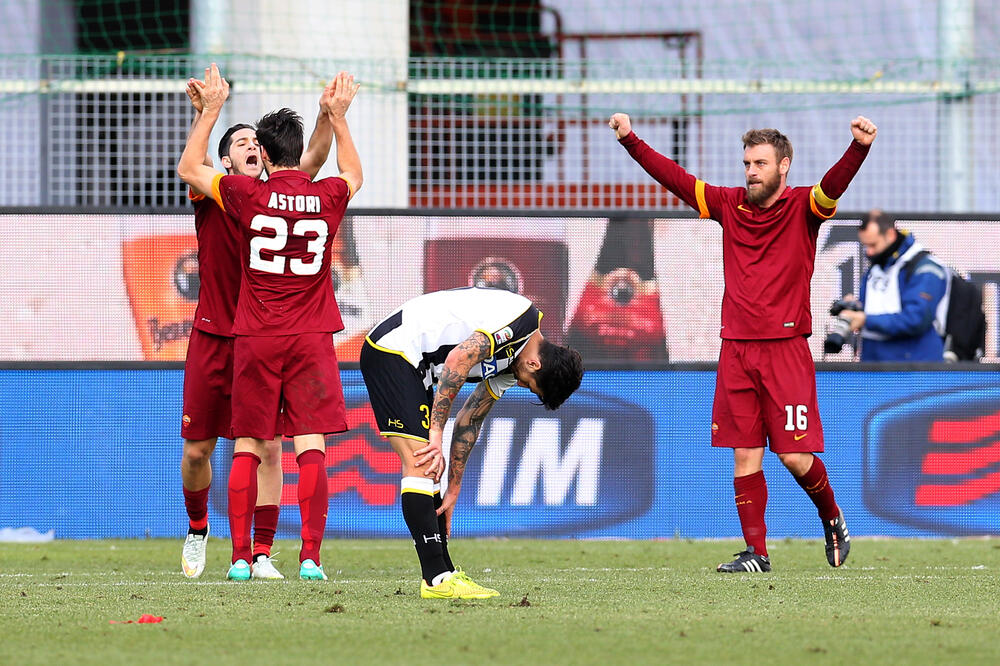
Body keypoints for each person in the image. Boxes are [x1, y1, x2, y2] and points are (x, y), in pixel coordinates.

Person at [611, 111, 878, 572]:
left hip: (785, 348)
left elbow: (833, 186)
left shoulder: (804, 207)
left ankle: (831, 516)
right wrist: (630, 139)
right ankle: (757, 552)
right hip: (736, 347)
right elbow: (675, 178)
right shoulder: (728, 204)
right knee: (744, 452)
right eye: (747, 164)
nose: (751, 171)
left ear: (784, 166)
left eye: (759, 163)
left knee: (794, 455)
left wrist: (858, 148)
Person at [178, 64, 362, 582]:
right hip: (220, 332)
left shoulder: (256, 194)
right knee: (198, 451)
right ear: (228, 158)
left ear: (265, 155)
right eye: (237, 143)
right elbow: (319, 172)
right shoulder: (224, 193)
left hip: (257, 333)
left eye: (253, 143)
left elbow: (306, 162)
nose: (248, 148)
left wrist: (326, 118)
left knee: (265, 445)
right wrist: (207, 117)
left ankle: (256, 554)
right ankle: (198, 528)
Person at [359, 287, 584, 598]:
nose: (521, 385)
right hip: (393, 351)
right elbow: (459, 358)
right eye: (530, 386)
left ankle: (445, 572)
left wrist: (453, 487)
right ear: (535, 366)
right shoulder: (520, 322)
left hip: (418, 365)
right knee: (422, 462)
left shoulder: (514, 363)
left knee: (432, 472)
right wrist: (436, 435)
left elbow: (470, 420)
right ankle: (436, 581)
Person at [836, 210, 949, 361]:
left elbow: (916, 318)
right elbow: (877, 309)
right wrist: (856, 307)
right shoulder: (876, 267)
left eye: (873, 244)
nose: (869, 252)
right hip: (874, 365)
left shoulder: (927, 268)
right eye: (865, 246)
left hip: (916, 370)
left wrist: (864, 319)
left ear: (890, 235)